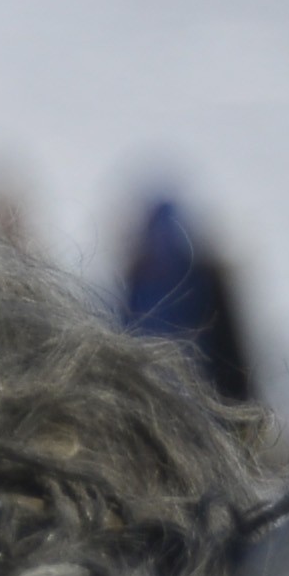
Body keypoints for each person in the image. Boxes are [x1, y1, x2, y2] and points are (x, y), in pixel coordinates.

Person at [114, 186, 265, 444]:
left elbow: (232, 357)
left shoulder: (206, 282)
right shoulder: (135, 283)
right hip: (156, 416)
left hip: (203, 416)